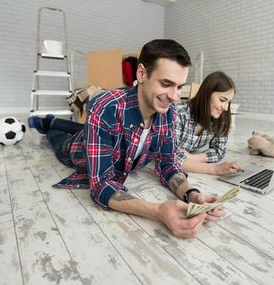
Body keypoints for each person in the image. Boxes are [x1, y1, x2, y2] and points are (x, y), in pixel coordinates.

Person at [28, 39, 224, 239]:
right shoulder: (105, 106)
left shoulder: (169, 113)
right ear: (142, 74)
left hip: (98, 133)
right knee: (59, 140)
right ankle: (49, 126)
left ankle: (53, 121)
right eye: (166, 84)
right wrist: (158, 211)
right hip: (78, 150)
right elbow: (102, 186)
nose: (174, 96)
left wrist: (192, 194)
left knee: (85, 128)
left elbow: (168, 165)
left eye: (180, 87)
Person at [175, 71, 243, 175]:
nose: (225, 108)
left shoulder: (221, 117)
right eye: (222, 100)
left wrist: (193, 157)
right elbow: (170, 157)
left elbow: (219, 151)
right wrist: (214, 169)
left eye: (228, 102)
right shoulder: (179, 114)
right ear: (207, 93)